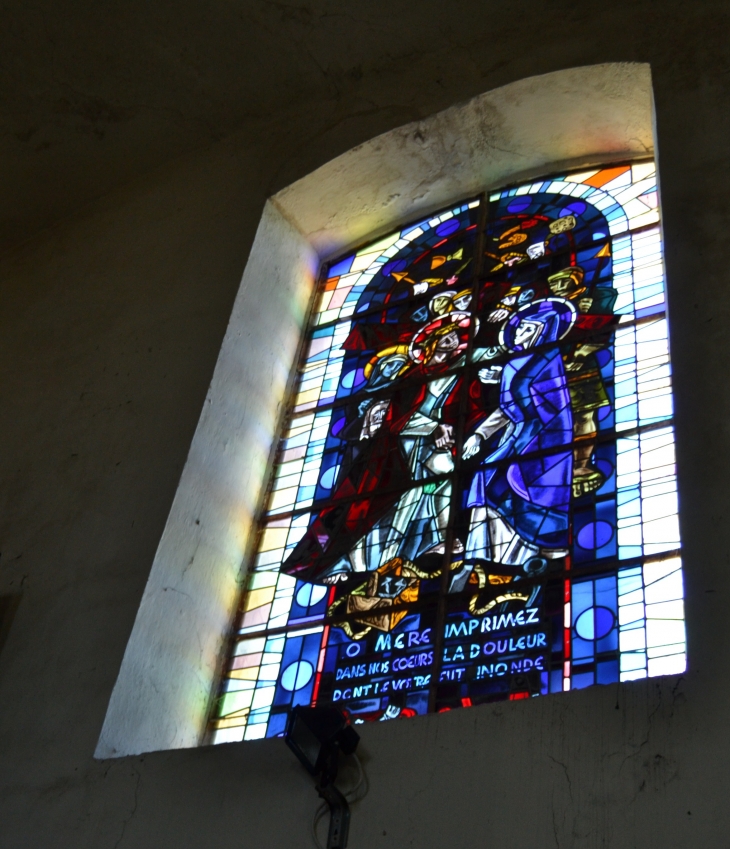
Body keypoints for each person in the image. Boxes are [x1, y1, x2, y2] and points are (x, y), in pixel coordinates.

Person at [462, 298, 575, 571]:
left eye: (527, 330)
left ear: (543, 332)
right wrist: (478, 434)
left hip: (545, 440)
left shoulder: (549, 363)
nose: (519, 334)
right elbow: (507, 410)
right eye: (520, 329)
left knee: (519, 487)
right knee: (486, 477)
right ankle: (484, 558)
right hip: (516, 436)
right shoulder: (514, 364)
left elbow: (555, 410)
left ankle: (526, 559)